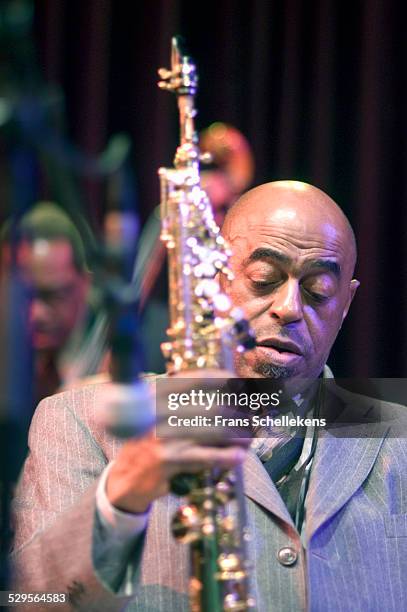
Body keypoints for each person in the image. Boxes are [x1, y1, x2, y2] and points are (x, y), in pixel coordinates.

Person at [11, 182, 407, 611]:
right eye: (263, 280)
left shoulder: (398, 434)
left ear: (346, 302)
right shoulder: (81, 420)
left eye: (319, 291)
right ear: (214, 280)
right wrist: (120, 498)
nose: (290, 307)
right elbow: (30, 600)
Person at [0, 202, 106, 405]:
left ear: (85, 283)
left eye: (53, 295)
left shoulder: (139, 336)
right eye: (21, 297)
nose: (35, 314)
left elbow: (185, 416)